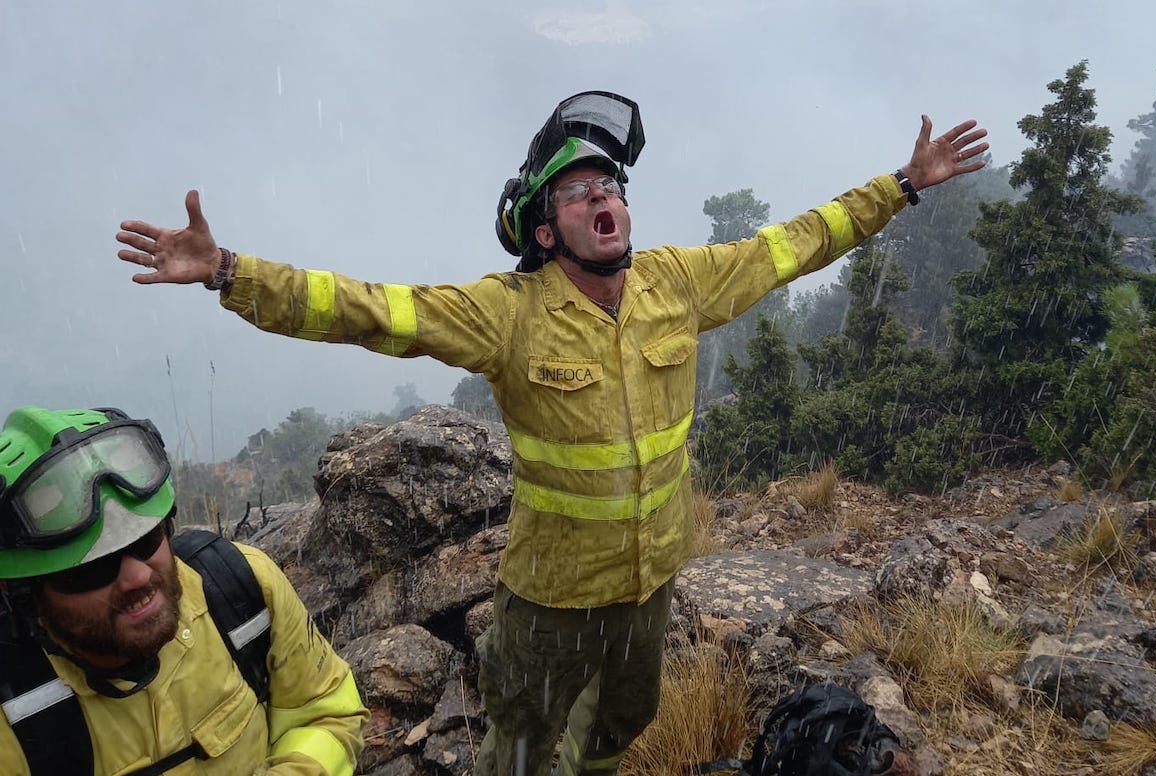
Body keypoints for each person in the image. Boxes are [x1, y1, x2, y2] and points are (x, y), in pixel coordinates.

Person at [114, 90, 987, 776]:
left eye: (609, 185)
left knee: (622, 720)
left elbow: (793, 245)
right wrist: (229, 271)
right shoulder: (509, 314)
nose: (602, 196)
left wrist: (902, 186)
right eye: (578, 192)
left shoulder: (676, 282)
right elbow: (372, 311)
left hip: (649, 578)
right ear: (545, 228)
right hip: (551, 595)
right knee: (522, 745)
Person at [0, 405, 368, 775]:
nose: (138, 577)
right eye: (93, 569)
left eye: (146, 540)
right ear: (21, 592)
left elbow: (326, 708)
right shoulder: (14, 710)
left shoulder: (242, 589)